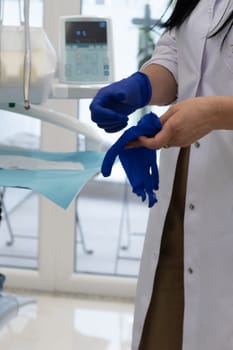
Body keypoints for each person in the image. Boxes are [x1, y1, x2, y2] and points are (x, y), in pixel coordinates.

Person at [89, 1, 233, 349]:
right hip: (184, 198)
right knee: (165, 328)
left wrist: (215, 113)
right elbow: (177, 52)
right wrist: (141, 87)